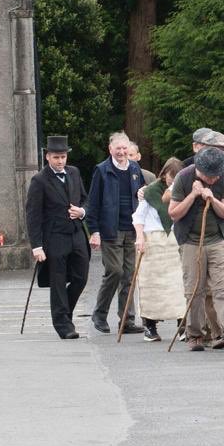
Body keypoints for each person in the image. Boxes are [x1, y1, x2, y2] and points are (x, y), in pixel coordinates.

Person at [168, 146, 224, 352]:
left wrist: (212, 198)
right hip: (190, 241)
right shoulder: (183, 178)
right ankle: (195, 335)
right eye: (208, 176)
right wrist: (193, 195)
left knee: (222, 286)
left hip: (217, 240)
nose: (213, 179)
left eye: (216, 176)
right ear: (198, 169)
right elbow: (174, 213)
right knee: (195, 289)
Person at [25, 135, 89, 339]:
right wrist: (36, 246)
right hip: (54, 237)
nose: (60, 161)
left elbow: (86, 200)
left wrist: (82, 212)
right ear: (47, 157)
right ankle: (63, 324)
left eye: (63, 157)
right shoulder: (39, 180)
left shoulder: (74, 172)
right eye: (56, 157)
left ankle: (64, 314)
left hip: (77, 234)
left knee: (81, 277)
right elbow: (33, 215)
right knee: (58, 281)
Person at [86, 131, 146, 335]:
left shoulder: (135, 168)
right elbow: (93, 203)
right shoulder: (102, 170)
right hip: (110, 230)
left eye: (124, 148)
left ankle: (127, 320)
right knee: (115, 271)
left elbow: (142, 195)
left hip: (132, 229)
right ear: (110, 149)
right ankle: (100, 314)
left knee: (129, 275)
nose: (121, 152)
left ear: (129, 149)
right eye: (117, 148)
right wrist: (94, 231)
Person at [132, 158, 187, 342]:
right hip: (153, 240)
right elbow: (138, 217)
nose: (174, 180)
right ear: (164, 174)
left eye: (178, 176)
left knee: (178, 285)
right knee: (151, 285)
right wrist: (140, 237)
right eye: (172, 176)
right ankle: (150, 325)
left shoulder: (183, 190)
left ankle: (183, 325)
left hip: (174, 240)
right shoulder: (151, 191)